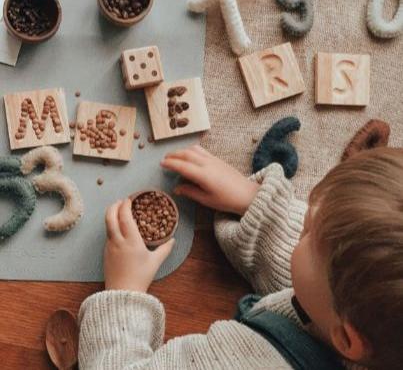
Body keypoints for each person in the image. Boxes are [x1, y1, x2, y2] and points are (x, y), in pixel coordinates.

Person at [78, 145, 403, 369]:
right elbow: (324, 283)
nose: (302, 220)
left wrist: (125, 292)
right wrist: (258, 207)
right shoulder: (373, 330)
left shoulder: (236, 362)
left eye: (307, 234)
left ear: (347, 339)